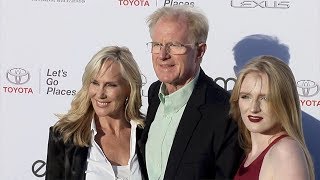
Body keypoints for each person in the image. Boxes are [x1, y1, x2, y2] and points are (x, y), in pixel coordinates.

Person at [140, 6, 243, 180]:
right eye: (157, 45)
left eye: (174, 45)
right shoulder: (153, 94)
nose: (163, 55)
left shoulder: (224, 111)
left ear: (200, 51)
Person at [45, 46, 147, 180]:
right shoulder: (66, 136)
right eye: (95, 83)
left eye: (110, 85)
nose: (100, 94)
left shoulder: (146, 134)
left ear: (129, 88)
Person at [230, 55, 315, 180]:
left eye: (265, 98)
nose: (254, 108)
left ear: (285, 102)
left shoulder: (285, 152)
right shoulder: (249, 154)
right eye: (246, 97)